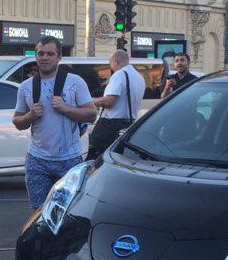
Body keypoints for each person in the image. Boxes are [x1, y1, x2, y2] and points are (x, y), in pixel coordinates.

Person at [12, 36, 96, 209]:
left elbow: (91, 115)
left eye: (50, 54)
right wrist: (30, 116)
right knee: (39, 211)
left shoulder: (74, 82)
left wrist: (66, 108)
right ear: (35, 56)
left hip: (69, 159)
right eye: (40, 53)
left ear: (59, 57)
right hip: (37, 160)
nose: (44, 58)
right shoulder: (26, 87)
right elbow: (18, 121)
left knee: (70, 210)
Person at [89, 50, 144, 161]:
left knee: (95, 159)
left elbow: (109, 101)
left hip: (110, 125)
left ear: (115, 61)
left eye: (110, 64)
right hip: (129, 124)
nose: (111, 67)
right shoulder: (139, 77)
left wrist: (90, 101)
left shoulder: (120, 74)